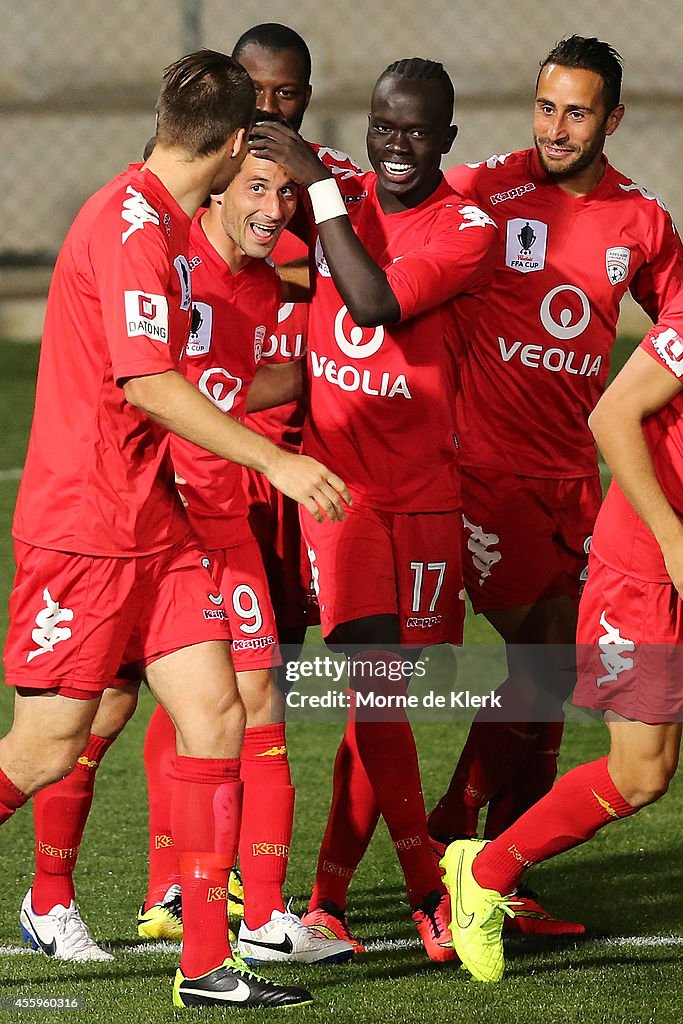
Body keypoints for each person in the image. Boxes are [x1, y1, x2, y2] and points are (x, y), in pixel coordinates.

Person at [2, 49, 350, 1010]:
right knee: (41, 749)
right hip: (87, 530)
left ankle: (206, 964)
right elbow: (148, 383)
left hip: (158, 528)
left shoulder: (154, 216)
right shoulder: (131, 230)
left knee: (217, 716)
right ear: (237, 143)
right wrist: (273, 457)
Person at [426, 35, 683, 931]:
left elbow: (676, 323)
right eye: (545, 107)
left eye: (577, 112)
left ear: (612, 119)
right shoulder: (480, 192)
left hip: (578, 480)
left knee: (552, 675)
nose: (556, 127)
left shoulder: (641, 222)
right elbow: (386, 256)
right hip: (482, 472)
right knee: (545, 658)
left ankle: (494, 868)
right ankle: (452, 847)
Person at [248, 56, 498, 961]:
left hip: (426, 494)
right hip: (341, 488)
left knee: (380, 698)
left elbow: (374, 299)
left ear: (446, 140)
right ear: (365, 125)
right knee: (370, 682)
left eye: (418, 131)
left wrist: (321, 196)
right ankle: (430, 892)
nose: (397, 146)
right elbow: (237, 144)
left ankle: (328, 901)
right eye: (383, 127)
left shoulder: (464, 228)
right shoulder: (333, 187)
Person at [137, 137, 353, 966]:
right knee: (75, 722)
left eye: (287, 194)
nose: (274, 208)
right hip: (151, 526)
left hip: (221, 519)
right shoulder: (167, 259)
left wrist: (310, 371)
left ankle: (260, 920)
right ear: (215, 191)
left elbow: (229, 384)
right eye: (256, 189)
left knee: (260, 704)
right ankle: (54, 898)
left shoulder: (263, 289)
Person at [442, 293, 683, 982]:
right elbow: (609, 415)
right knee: (641, 772)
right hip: (645, 568)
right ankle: (482, 873)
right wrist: (669, 539)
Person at [232, 23, 364, 665]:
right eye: (252, 90)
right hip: (219, 450)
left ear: (306, 98)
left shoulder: (333, 183)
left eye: (283, 93)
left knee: (278, 660)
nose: (266, 109)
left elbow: (377, 276)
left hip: (304, 456)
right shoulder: (191, 181)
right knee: (200, 671)